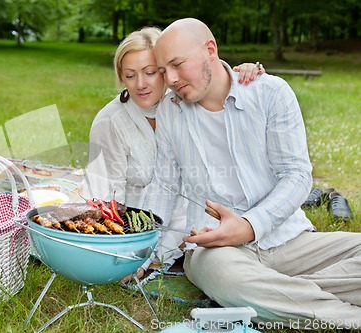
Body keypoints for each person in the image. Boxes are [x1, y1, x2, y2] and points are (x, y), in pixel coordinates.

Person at [144, 18, 361, 329]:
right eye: (164, 71)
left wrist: (249, 226)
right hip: (216, 250)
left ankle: (275, 294)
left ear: (210, 50)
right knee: (225, 279)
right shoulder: (170, 110)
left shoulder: (271, 92)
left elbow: (297, 175)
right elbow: (165, 185)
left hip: (288, 240)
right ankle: (348, 315)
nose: (172, 79)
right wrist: (147, 255)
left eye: (177, 64)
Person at [82, 26, 264, 281]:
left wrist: (247, 72)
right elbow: (104, 194)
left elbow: (217, 82)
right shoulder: (111, 121)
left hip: (196, 215)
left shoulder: (186, 101)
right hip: (140, 225)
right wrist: (125, 247)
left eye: (150, 72)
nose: (141, 84)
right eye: (130, 75)